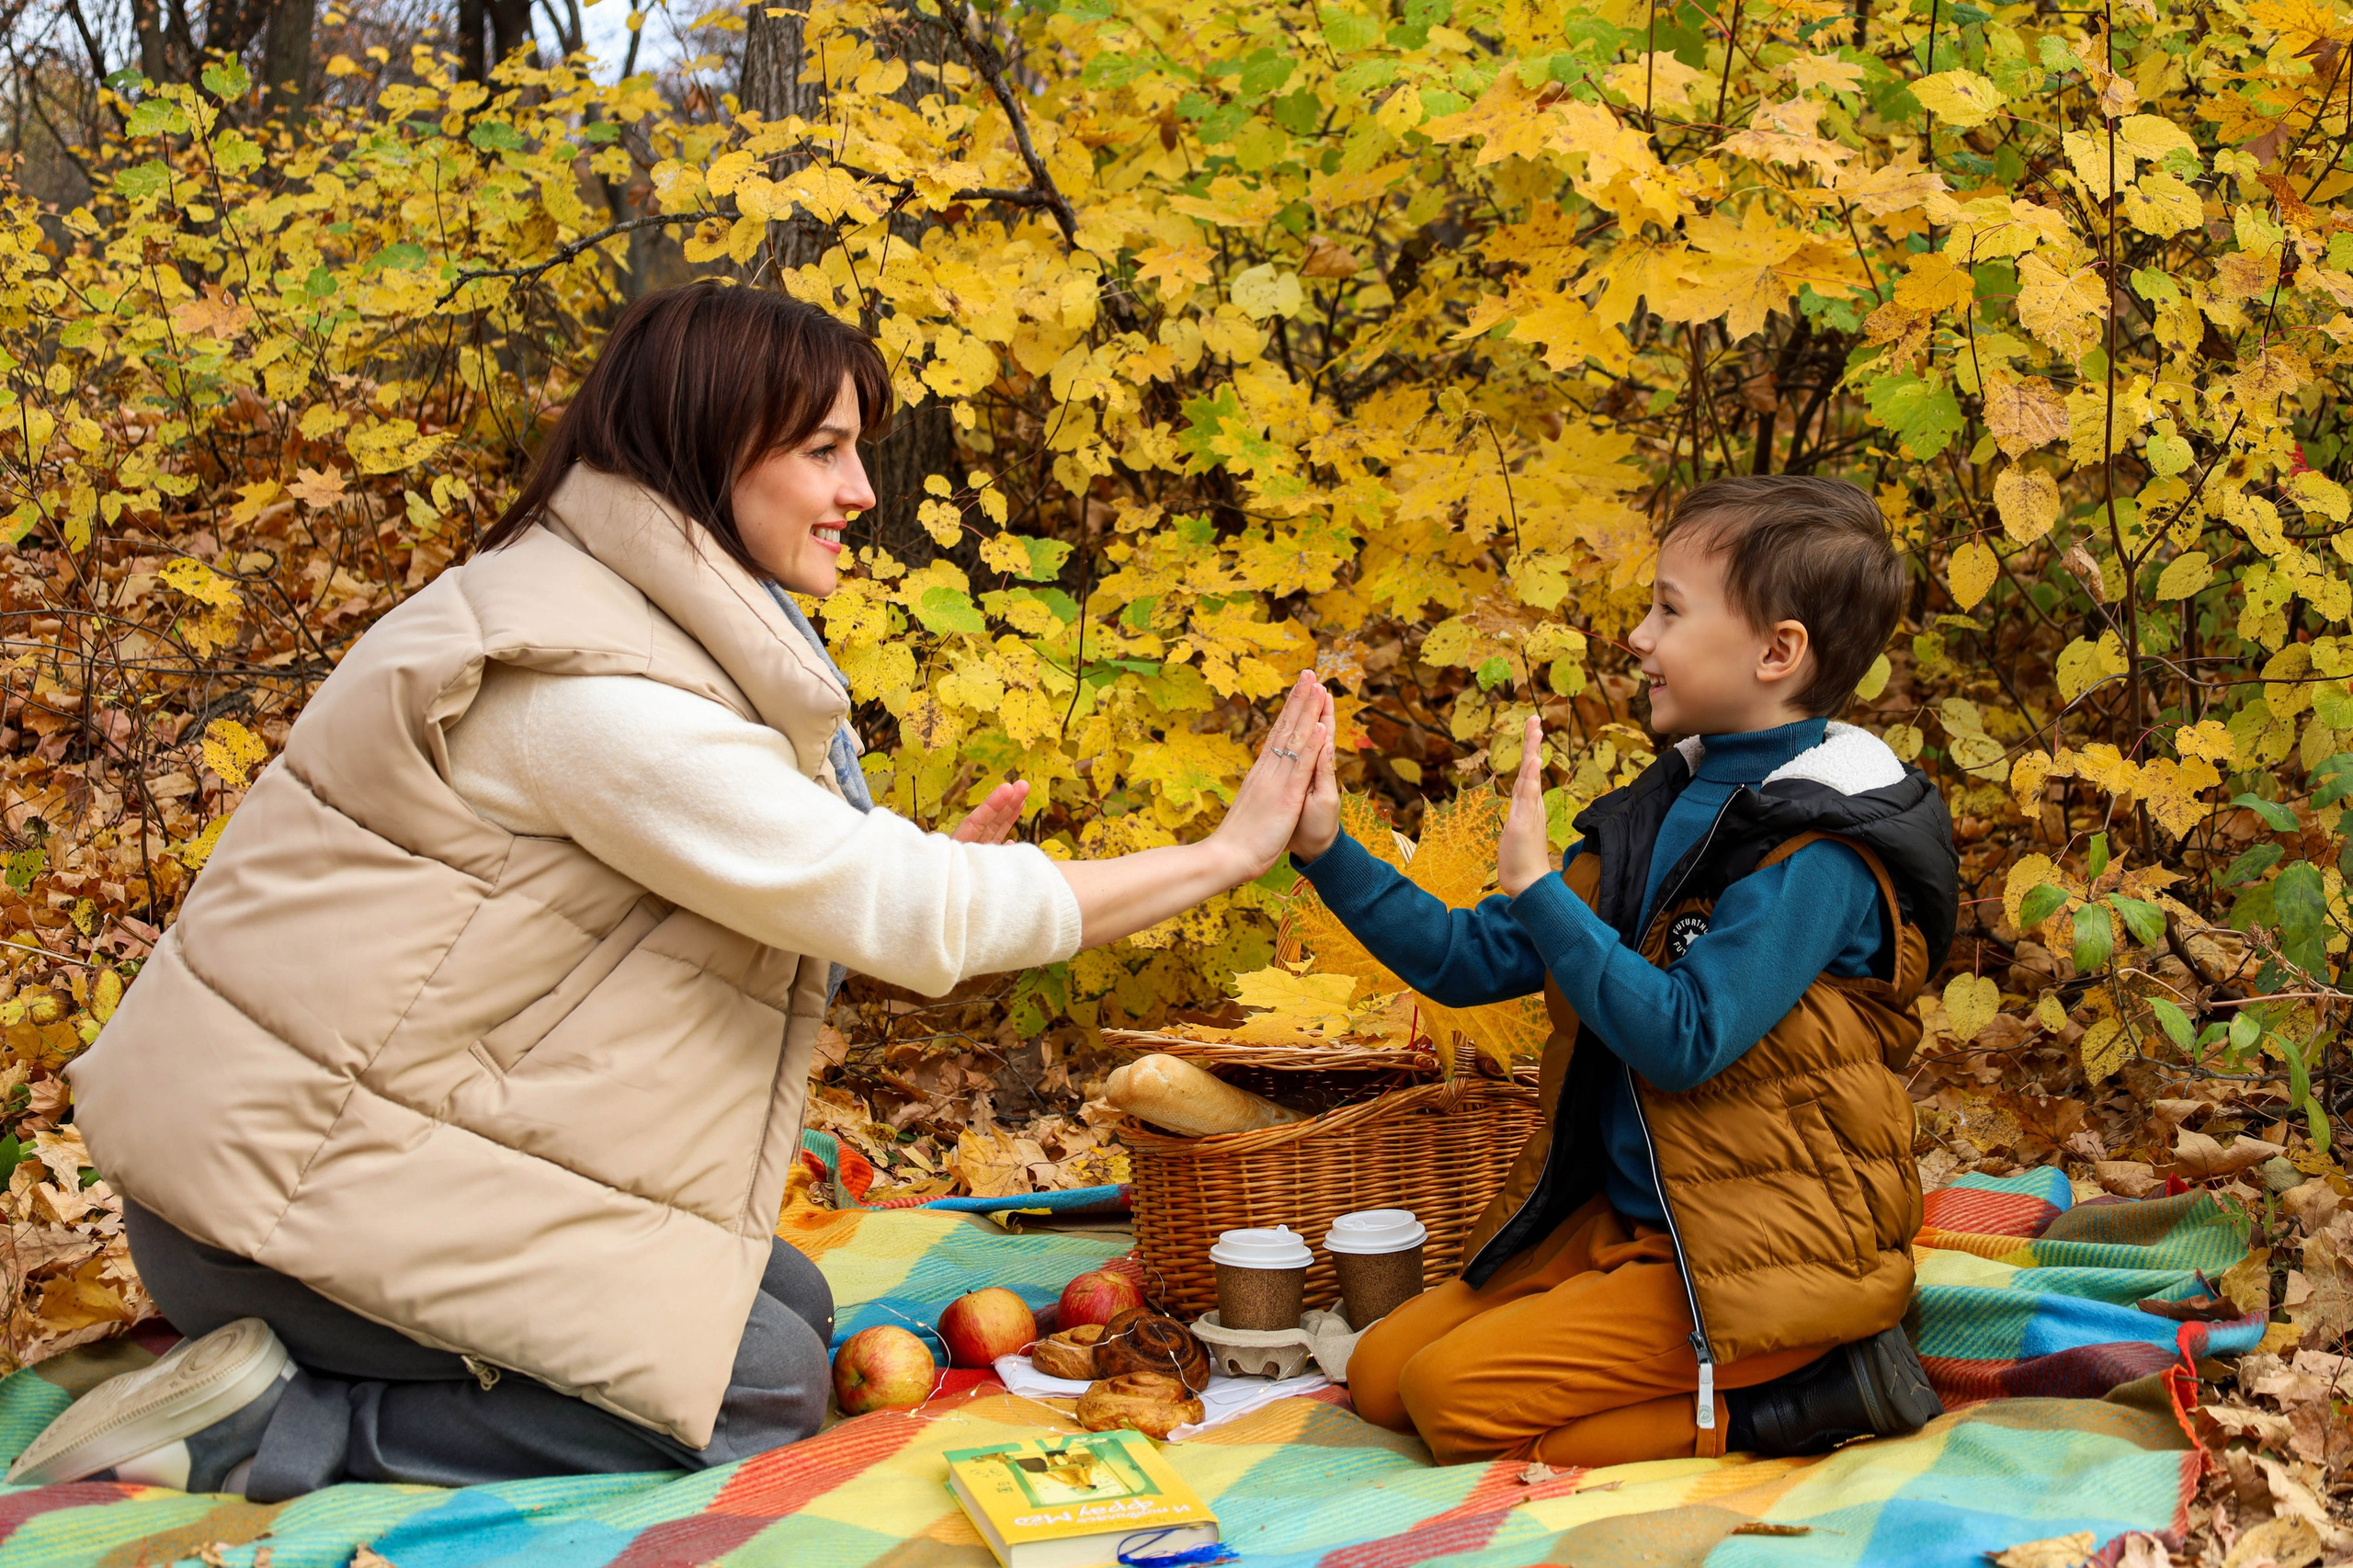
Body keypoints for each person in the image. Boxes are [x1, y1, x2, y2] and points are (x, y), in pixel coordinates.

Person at [17, 280, 1332, 1499]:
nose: (860, 489)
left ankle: (330, 1368)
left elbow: (740, 899)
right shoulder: (590, 688)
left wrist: (902, 883)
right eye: (823, 449)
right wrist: (1223, 855)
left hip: (336, 1145)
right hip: (269, 1204)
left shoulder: (598, 610)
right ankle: (278, 1423)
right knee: (749, 1388)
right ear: (710, 452)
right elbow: (912, 907)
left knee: (786, 1301)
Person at [1283, 474, 1957, 1467]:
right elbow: (1469, 958)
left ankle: (1814, 1394)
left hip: (1761, 1249)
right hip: (1636, 1218)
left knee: (1445, 1400)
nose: (1639, 637)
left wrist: (1540, 890)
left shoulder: (1822, 853)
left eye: (1670, 612)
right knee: (1381, 1377)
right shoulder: (1663, 806)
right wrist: (1325, 847)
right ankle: (1641, 1349)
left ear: (1777, 653)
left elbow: (1685, 1036)